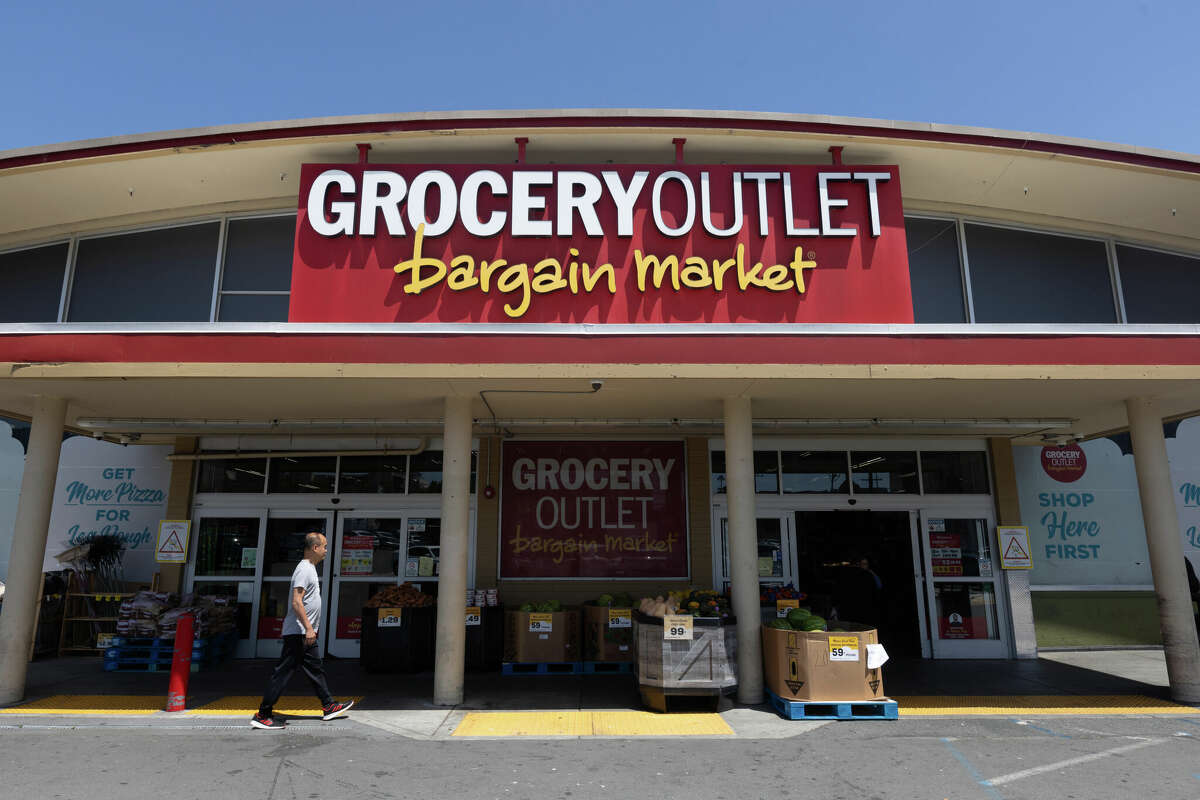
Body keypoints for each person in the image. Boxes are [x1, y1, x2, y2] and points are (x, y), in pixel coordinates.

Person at [251, 532, 353, 730]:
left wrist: (312, 629)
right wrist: (308, 628)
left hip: (304, 632)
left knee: (315, 669)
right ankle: (263, 714)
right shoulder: (304, 569)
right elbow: (297, 602)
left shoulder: (310, 569)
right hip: (298, 632)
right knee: (283, 673)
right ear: (315, 548)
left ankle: (328, 705)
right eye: (324, 547)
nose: (326, 551)